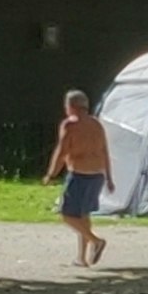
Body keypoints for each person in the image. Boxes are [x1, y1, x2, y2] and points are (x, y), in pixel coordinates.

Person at [48, 88, 113, 268]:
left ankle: (95, 240)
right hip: (97, 175)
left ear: (71, 107)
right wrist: (109, 177)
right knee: (83, 216)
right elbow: (105, 151)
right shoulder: (96, 124)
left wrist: (51, 174)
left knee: (67, 215)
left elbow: (61, 152)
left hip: (80, 175)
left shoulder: (70, 125)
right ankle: (81, 258)